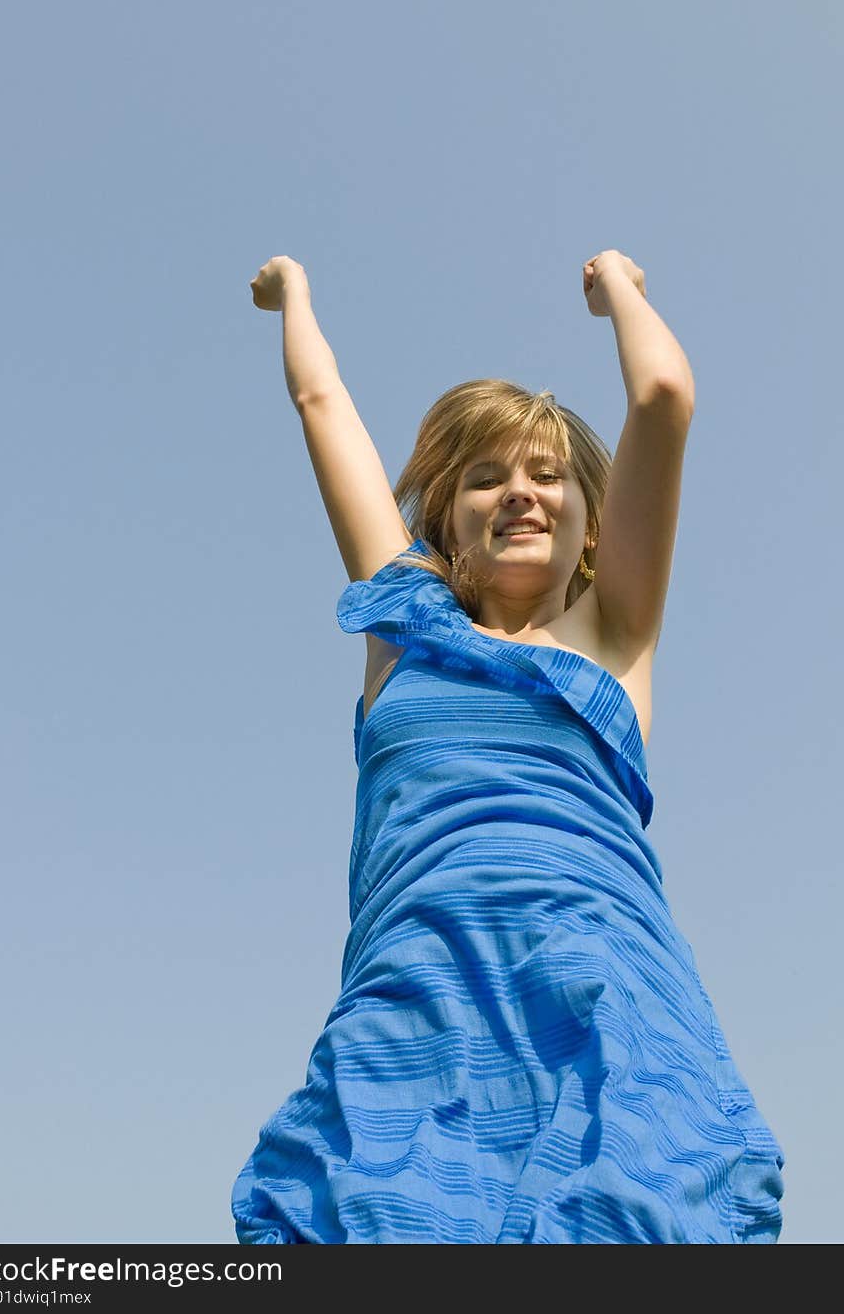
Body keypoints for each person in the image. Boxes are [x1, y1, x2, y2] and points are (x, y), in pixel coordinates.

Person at [231, 251, 785, 1244]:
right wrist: (294, 300)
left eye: (547, 476)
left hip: (600, 988)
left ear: (587, 527)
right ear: (444, 521)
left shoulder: (613, 633)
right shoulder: (401, 620)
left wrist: (618, 284)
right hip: (414, 995)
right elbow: (320, 400)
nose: (519, 493)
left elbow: (661, 395)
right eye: (485, 479)